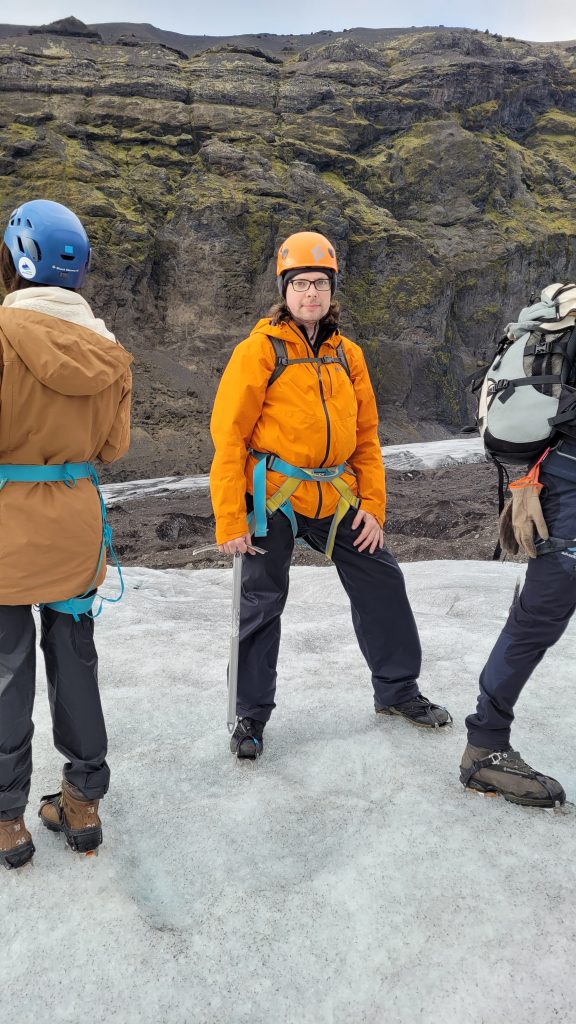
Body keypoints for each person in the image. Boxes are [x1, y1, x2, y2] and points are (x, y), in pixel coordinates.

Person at [210, 230, 451, 759]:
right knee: (261, 602)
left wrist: (373, 506)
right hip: (274, 495)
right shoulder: (259, 350)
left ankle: (397, 692)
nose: (310, 293)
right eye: (300, 284)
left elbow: (366, 438)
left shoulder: (349, 356)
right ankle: (251, 717)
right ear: (285, 289)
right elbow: (228, 436)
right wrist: (230, 519)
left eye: (319, 283)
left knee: (382, 579)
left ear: (332, 288)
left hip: (337, 495)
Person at [0, 199, 132, 869]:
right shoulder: (109, 350)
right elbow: (111, 445)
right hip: (77, 528)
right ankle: (81, 803)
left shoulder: (0, 333)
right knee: (75, 659)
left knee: (5, 671)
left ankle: (7, 824)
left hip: (7, 529)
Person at [460, 444, 574, 808]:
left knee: (533, 625)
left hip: (565, 476)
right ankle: (486, 747)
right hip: (569, 485)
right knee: (533, 625)